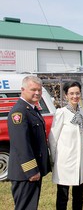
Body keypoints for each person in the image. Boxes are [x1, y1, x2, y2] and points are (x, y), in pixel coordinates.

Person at [7, 75, 51, 210]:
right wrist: (31, 171)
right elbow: (22, 145)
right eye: (33, 90)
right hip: (25, 173)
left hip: (31, 171)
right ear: (23, 89)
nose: (37, 93)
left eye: (39, 90)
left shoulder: (32, 109)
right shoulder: (19, 112)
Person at [48, 81, 83, 210]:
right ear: (66, 95)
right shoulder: (61, 112)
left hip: (80, 161)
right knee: (63, 196)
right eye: (71, 93)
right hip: (64, 162)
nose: (75, 96)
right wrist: (53, 160)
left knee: (78, 196)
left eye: (77, 93)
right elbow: (53, 138)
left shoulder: (82, 112)